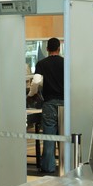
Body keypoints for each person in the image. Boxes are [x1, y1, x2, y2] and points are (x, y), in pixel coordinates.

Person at [27, 37, 64, 173]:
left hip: (49, 103)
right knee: (65, 134)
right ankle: (66, 165)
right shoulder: (65, 63)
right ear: (59, 49)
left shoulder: (42, 63)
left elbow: (36, 82)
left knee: (49, 135)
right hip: (65, 103)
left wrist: (31, 95)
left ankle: (48, 167)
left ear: (47, 49)